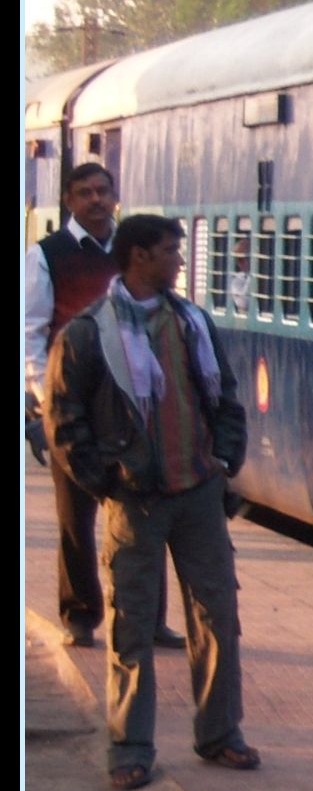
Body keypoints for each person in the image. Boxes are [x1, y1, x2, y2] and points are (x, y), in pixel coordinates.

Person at [44, 214, 259, 790]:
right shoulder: (90, 335)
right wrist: (107, 483)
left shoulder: (192, 324)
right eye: (171, 251)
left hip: (198, 495)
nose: (181, 262)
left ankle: (220, 733)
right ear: (139, 257)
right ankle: (130, 746)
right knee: (132, 624)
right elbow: (63, 421)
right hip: (135, 501)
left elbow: (226, 399)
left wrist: (225, 460)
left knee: (219, 616)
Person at [23, 162, 183, 652]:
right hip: (72, 404)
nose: (95, 200)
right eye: (84, 193)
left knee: (145, 510)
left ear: (115, 195)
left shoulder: (130, 249)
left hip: (135, 403)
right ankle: (81, 615)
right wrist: (44, 401)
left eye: (102, 191)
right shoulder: (46, 255)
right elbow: (31, 332)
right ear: (68, 201)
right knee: (77, 519)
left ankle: (148, 616)